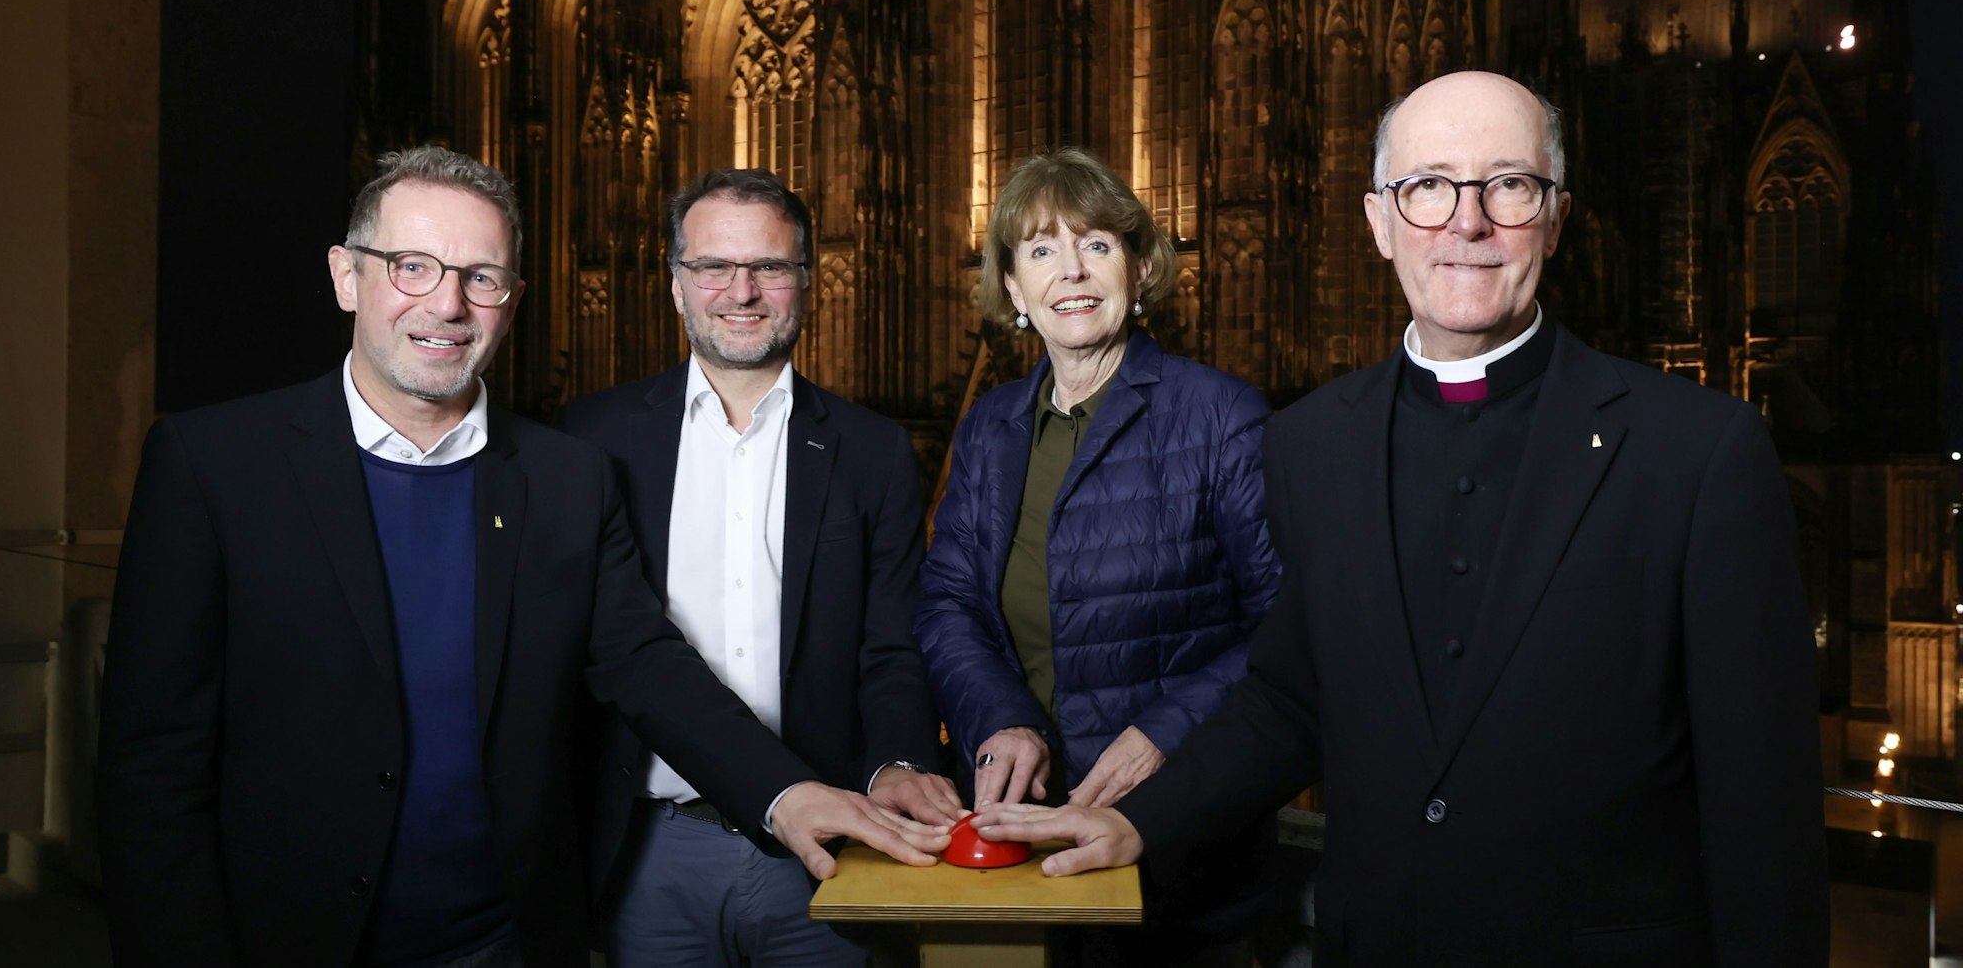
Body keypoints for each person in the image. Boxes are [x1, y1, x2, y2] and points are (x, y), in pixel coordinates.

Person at [977, 71, 1829, 965]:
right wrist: (1138, 822)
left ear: (1558, 216)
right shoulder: (1309, 444)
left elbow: (1763, 810)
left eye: (1509, 184)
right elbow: (1288, 698)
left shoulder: (1699, 451)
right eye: (1427, 187)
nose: (1467, 222)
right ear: (1381, 223)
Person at [96, 147, 944, 968]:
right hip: (284, 938)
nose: (448, 304)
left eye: (481, 277)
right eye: (412, 266)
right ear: (346, 276)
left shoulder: (563, 476)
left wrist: (784, 794)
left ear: (513, 298)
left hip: (506, 939)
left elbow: (644, 661)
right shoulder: (210, 466)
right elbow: (151, 771)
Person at [560, 168, 960, 966]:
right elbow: (596, 650)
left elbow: (891, 647)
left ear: (806, 284)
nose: (741, 290)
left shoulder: (873, 449)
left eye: (769, 267)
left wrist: (898, 763)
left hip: (830, 848)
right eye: (713, 266)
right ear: (677, 285)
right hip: (650, 849)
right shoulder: (592, 439)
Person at [915, 147, 1281, 954]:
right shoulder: (992, 425)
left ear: (1140, 265)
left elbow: (1288, 625)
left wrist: (1164, 733)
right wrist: (1000, 720)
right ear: (1013, 287)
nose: (1070, 271)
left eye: (1097, 244)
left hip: (1178, 841)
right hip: (1023, 832)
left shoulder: (1221, 416)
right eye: (1041, 250)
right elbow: (949, 602)